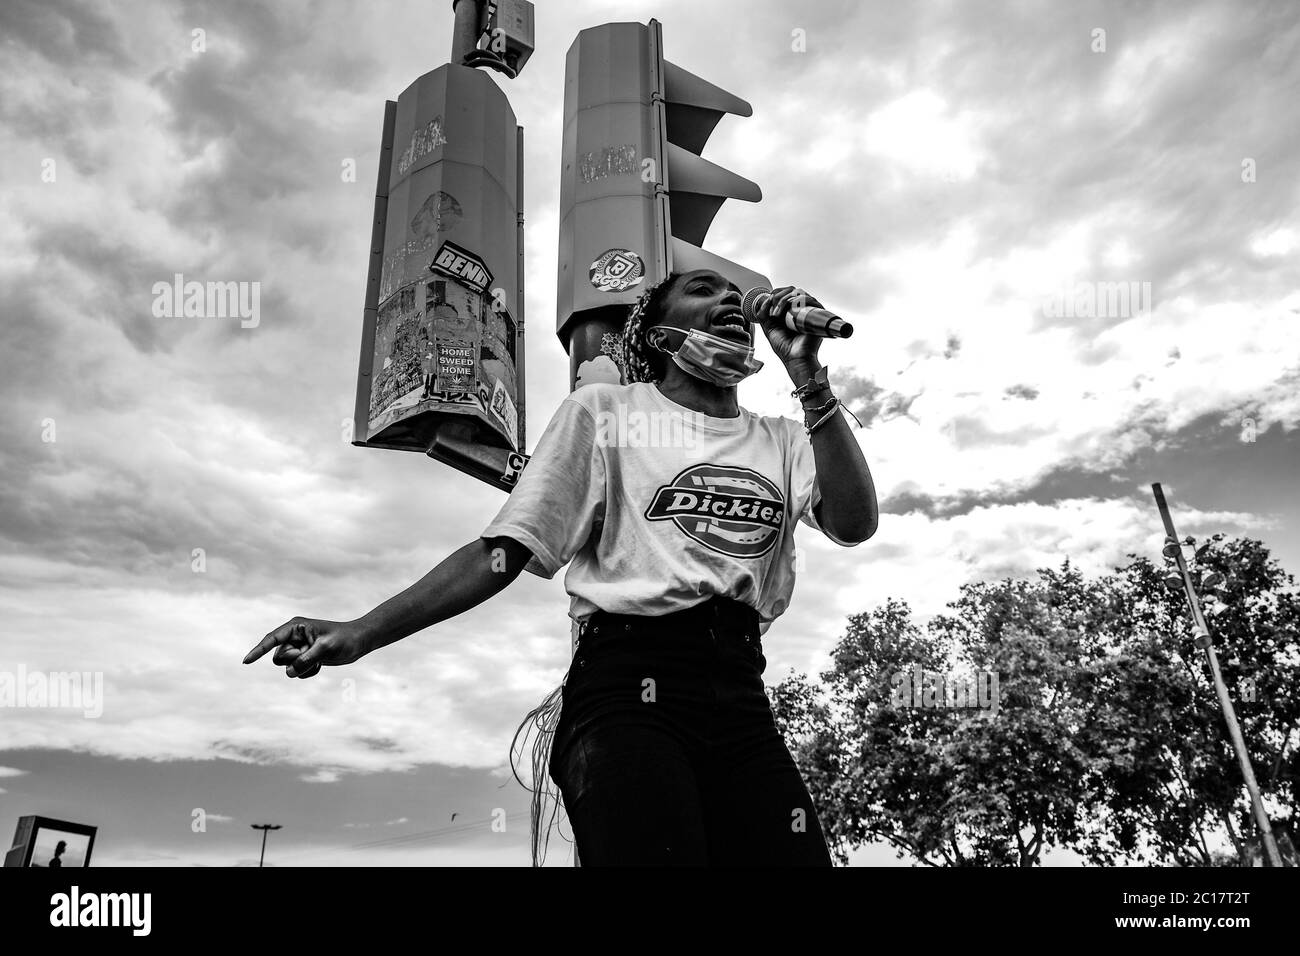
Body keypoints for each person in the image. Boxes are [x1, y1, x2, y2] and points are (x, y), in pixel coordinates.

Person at [243, 270, 879, 866]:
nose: (730, 302)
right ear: (658, 334)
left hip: (740, 692)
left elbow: (854, 524)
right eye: (704, 291)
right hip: (628, 690)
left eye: (737, 298)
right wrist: (362, 631)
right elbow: (504, 550)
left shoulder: (784, 439)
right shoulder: (606, 412)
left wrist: (810, 379)